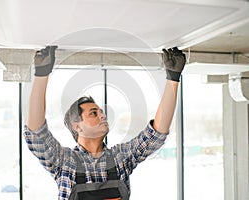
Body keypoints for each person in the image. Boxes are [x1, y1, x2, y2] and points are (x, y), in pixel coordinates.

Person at [24, 46, 186, 200]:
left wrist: (173, 78)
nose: (102, 116)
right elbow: (36, 133)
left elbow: (156, 134)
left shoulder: (120, 158)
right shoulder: (65, 162)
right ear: (77, 126)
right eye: (94, 113)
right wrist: (41, 74)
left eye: (101, 112)